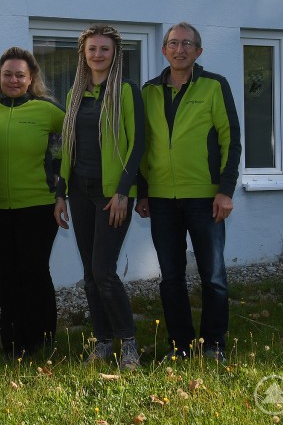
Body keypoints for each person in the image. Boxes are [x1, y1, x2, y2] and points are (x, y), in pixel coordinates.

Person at [136, 22, 241, 362]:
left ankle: (214, 345)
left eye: (187, 44)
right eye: (173, 43)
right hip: (163, 200)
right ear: (163, 50)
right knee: (171, 278)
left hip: (205, 198)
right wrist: (143, 192)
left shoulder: (214, 86)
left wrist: (225, 190)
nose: (180, 49)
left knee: (213, 276)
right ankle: (180, 346)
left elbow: (231, 139)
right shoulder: (148, 91)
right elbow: (141, 146)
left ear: (199, 51)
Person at [54, 24, 144, 370]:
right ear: (83, 54)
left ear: (115, 54)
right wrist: (60, 193)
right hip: (79, 191)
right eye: (92, 49)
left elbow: (137, 145)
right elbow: (67, 147)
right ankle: (104, 341)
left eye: (104, 49)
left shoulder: (125, 91)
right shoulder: (73, 95)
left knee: (104, 271)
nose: (98, 55)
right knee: (91, 275)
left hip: (112, 195)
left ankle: (130, 343)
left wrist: (124, 192)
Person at [0, 47, 65, 359]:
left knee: (34, 272)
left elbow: (70, 144)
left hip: (38, 207)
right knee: (7, 275)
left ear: (31, 79)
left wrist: (59, 178)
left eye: (20, 75)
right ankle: (12, 343)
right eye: (7, 74)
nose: (13, 80)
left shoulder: (48, 110)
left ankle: (41, 341)